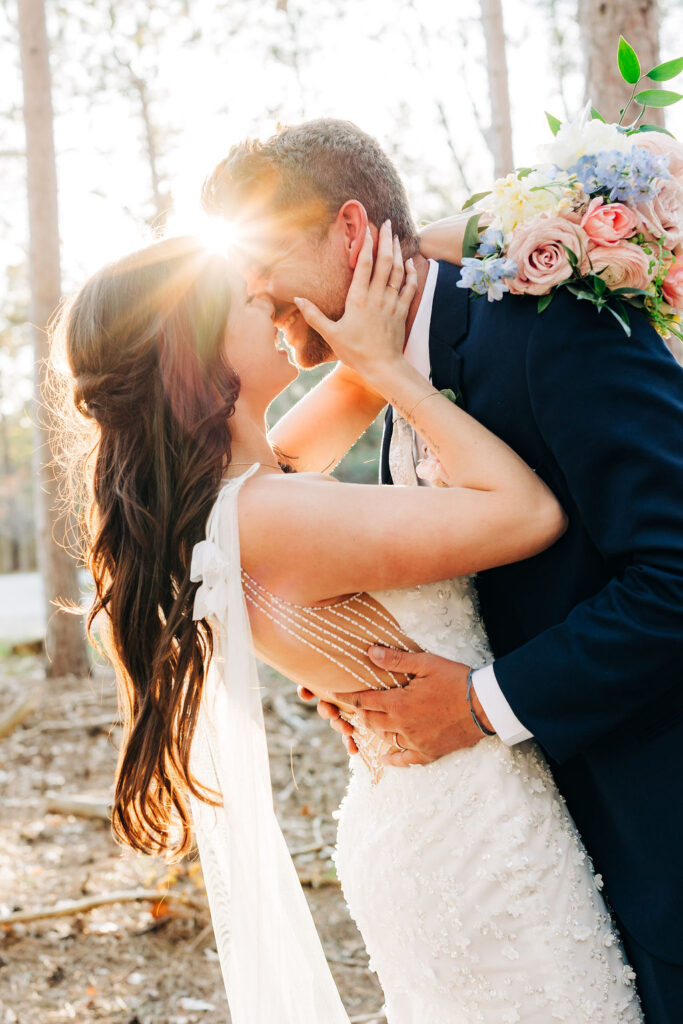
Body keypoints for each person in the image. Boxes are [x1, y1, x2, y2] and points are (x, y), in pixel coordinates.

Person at [51, 223, 645, 1023]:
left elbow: (364, 366)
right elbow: (526, 513)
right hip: (470, 831)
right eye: (248, 300)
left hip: (435, 810)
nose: (274, 305)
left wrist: (425, 233)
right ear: (196, 358)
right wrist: (402, 373)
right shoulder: (267, 513)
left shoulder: (241, 489)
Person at [201, 117, 683, 1023]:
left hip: (649, 821)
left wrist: (478, 702)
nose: (256, 290)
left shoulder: (550, 326)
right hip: (514, 848)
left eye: (265, 257)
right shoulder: (378, 367)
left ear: (350, 231)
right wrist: (354, 658)